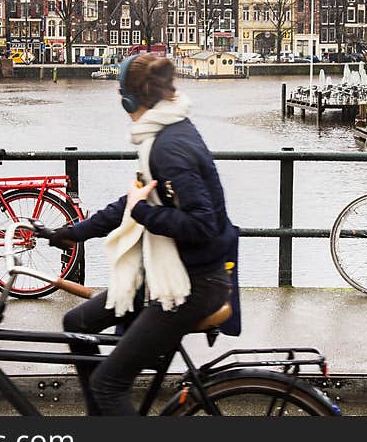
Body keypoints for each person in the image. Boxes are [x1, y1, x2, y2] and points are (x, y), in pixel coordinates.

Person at [45, 53, 237, 416]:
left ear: (129, 99)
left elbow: (203, 224)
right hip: (172, 274)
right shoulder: (164, 132)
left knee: (107, 382)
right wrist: (74, 233)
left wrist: (143, 213)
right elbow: (132, 199)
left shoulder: (169, 147)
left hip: (191, 285)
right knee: (76, 323)